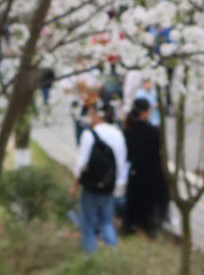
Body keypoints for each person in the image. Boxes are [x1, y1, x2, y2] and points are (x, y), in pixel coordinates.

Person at [71, 99, 128, 253]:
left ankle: (91, 256)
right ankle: (112, 254)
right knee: (106, 221)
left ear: (96, 115)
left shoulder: (89, 135)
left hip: (91, 186)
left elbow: (80, 163)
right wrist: (117, 184)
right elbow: (121, 163)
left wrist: (74, 186)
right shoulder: (118, 134)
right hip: (109, 185)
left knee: (87, 222)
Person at [122, 97, 168, 236]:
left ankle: (132, 230)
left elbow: (128, 155)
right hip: (152, 176)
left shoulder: (128, 130)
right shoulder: (154, 132)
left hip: (135, 174)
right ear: (147, 111)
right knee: (148, 211)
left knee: (134, 208)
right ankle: (147, 231)